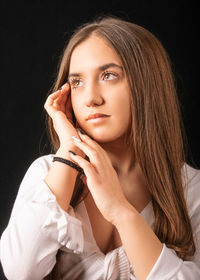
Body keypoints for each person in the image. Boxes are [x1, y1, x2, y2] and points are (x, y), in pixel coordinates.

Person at [0, 15, 200, 280]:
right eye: (77, 82)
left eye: (108, 75)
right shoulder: (47, 173)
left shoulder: (190, 188)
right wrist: (69, 154)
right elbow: (19, 273)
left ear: (147, 84)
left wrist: (120, 209)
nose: (91, 99)